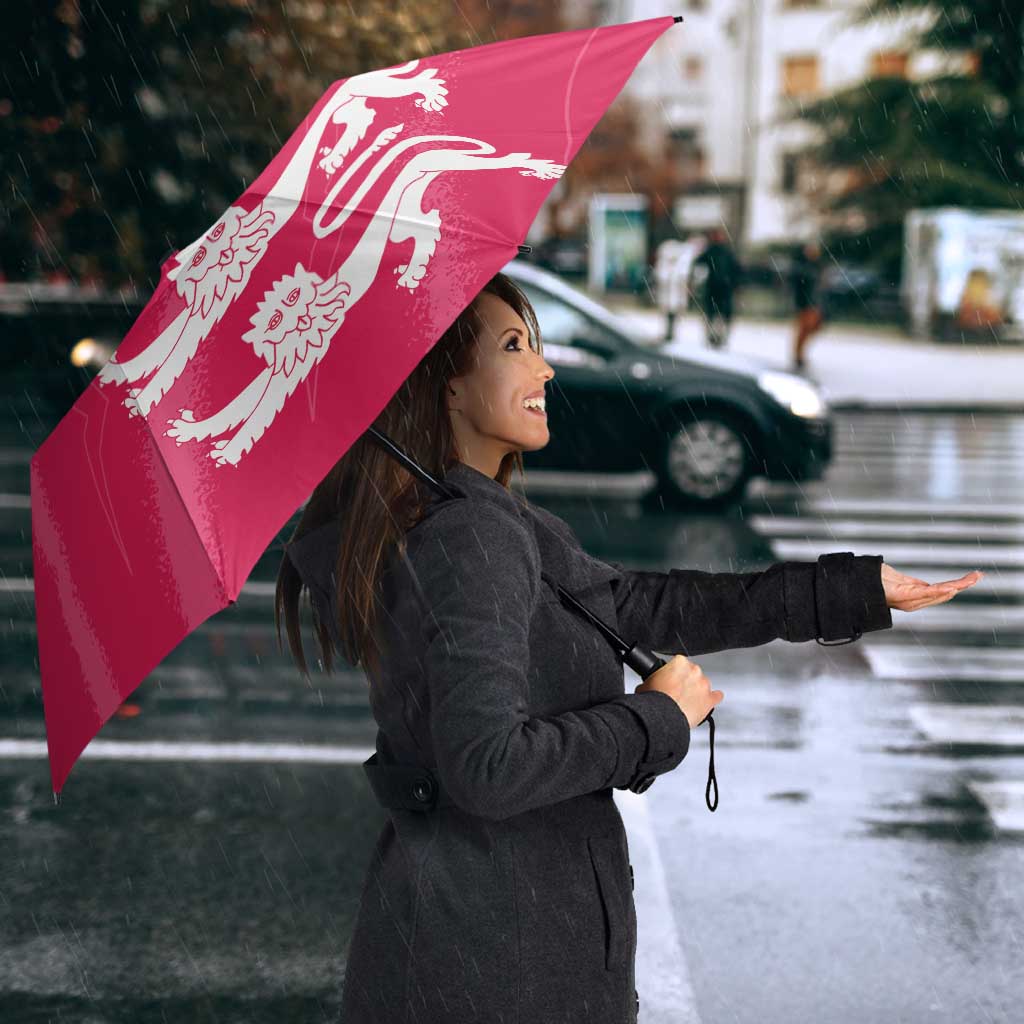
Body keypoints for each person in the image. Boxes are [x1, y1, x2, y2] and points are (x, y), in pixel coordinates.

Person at [275, 271, 980, 1024]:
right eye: (514, 346)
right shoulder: (470, 536)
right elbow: (487, 767)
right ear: (445, 386)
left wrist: (850, 591)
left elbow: (641, 605)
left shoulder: (477, 518)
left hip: (480, 941)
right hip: (499, 962)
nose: (544, 368)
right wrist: (655, 719)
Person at [692, 226, 742, 349]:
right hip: (715, 288)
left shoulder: (725, 252)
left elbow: (736, 270)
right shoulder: (712, 251)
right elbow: (698, 264)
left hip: (723, 288)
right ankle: (713, 337)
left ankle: (719, 337)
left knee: (720, 315)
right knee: (713, 314)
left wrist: (735, 284)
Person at [790, 239, 826, 370]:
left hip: (814, 303)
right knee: (804, 329)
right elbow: (799, 286)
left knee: (812, 328)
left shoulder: (817, 266)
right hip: (805, 303)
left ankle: (799, 354)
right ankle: (798, 355)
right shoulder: (802, 267)